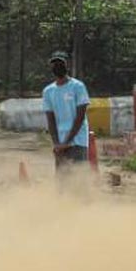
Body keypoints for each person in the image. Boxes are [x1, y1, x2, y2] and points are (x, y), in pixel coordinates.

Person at [42, 51, 90, 179]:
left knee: (78, 178)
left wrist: (67, 142)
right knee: (61, 180)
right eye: (54, 64)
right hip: (60, 143)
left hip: (78, 140)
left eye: (60, 64)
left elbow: (80, 117)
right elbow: (50, 120)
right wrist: (57, 144)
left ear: (66, 66)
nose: (57, 67)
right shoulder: (48, 91)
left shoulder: (78, 87)